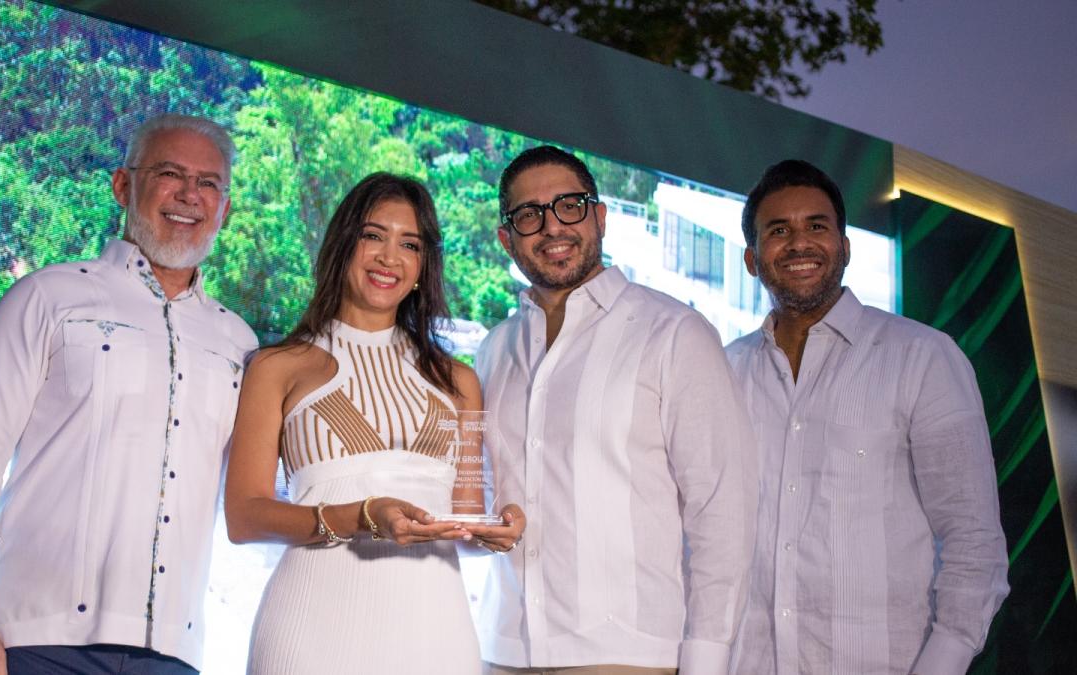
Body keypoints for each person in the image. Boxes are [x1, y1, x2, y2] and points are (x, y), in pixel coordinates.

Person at [0, 113, 258, 674]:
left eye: (208, 183)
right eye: (169, 173)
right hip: (31, 642)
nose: (188, 195)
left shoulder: (239, 343)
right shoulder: (45, 298)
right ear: (123, 185)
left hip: (172, 657)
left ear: (225, 209)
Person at [224, 172, 525, 675]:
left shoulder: (458, 382)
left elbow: (465, 523)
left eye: (409, 244)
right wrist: (363, 516)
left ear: (423, 264)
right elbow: (244, 518)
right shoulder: (278, 367)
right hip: (310, 632)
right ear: (343, 243)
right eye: (373, 236)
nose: (390, 257)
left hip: (435, 637)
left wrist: (497, 529)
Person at [475, 146, 757, 675]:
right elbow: (484, 498)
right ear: (506, 238)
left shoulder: (674, 333)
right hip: (504, 649)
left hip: (628, 655)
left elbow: (722, 512)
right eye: (529, 214)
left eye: (570, 205)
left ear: (600, 217)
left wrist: (706, 660)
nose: (552, 226)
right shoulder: (493, 350)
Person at [726, 159, 1009, 675]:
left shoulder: (921, 357)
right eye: (778, 231)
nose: (799, 243)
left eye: (817, 226)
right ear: (751, 258)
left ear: (845, 247)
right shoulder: (725, 371)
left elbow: (973, 539)